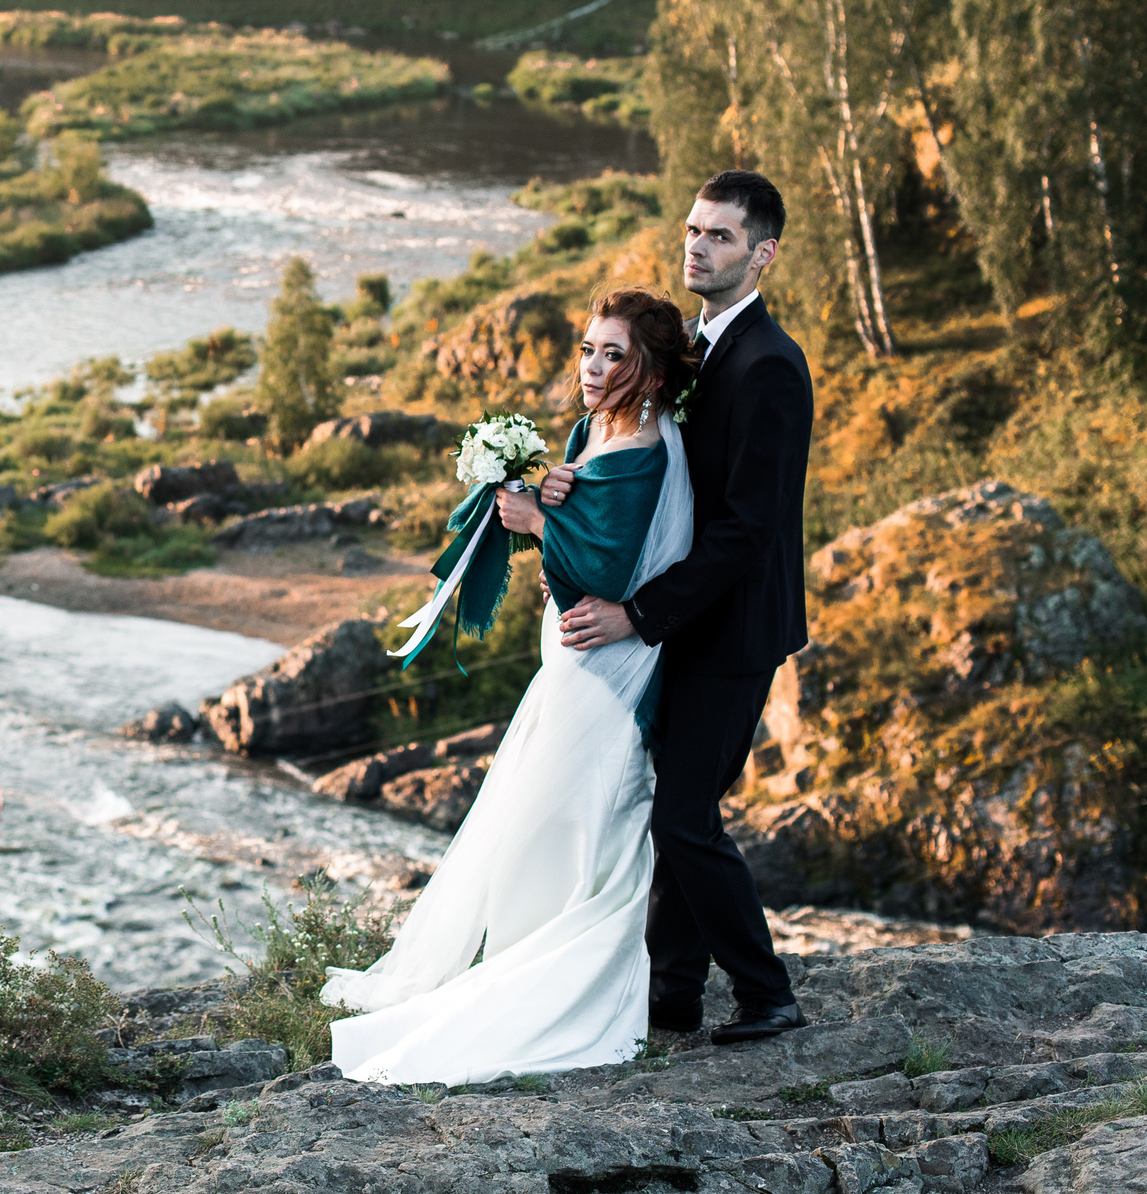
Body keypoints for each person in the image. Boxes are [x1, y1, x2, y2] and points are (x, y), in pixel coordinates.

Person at [319, 287, 698, 1083]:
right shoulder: (596, 426)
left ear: (652, 370)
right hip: (566, 647)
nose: (593, 368)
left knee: (570, 811)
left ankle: (555, 976)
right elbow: (582, 525)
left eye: (613, 354)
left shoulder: (649, 448)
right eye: (589, 350)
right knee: (530, 802)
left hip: (605, 667)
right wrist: (550, 492)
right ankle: (516, 954)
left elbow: (605, 568)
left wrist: (533, 521)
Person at [547, 169, 812, 1046]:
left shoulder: (770, 365)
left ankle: (767, 991)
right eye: (693, 230)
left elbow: (745, 530)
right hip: (683, 621)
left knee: (683, 816)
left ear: (762, 252)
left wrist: (639, 614)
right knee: (679, 808)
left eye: (721, 236)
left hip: (730, 629)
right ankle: (672, 995)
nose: (697, 245)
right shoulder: (694, 348)